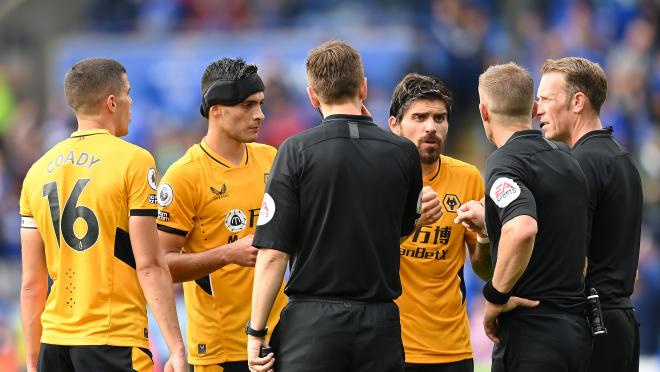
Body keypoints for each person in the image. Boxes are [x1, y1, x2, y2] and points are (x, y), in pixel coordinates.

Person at [245, 40, 442, 372]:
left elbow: (273, 253)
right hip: (380, 325)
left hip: (313, 325)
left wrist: (256, 331)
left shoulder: (295, 151)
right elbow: (401, 231)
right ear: (363, 88)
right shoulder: (402, 152)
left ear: (312, 95)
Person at [19, 58, 186, 372]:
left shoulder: (36, 172)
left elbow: (31, 283)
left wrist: (31, 361)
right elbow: (149, 264)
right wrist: (176, 348)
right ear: (112, 102)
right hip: (113, 338)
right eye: (128, 92)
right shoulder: (134, 161)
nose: (131, 101)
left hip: (54, 344)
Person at [456, 62, 592, 372]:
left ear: (484, 112)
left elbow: (523, 228)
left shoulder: (504, 163)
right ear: (532, 109)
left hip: (532, 335)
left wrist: (494, 297)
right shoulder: (568, 162)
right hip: (576, 334)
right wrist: (490, 225)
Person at [156, 58, 287, 372]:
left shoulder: (272, 159)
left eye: (260, 104)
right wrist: (228, 253)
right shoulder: (184, 176)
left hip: (281, 336)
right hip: (222, 350)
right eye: (247, 105)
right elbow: (160, 266)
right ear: (217, 110)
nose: (260, 115)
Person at [537, 57, 642, 372]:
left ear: (578, 101)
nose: (537, 109)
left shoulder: (578, 165)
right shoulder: (622, 160)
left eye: (545, 99)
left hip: (592, 327)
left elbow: (572, 261)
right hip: (621, 321)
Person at [388, 73, 492, 372]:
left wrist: (484, 235)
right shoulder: (377, 179)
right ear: (395, 125)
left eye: (439, 118)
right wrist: (413, 224)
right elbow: (360, 260)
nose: (431, 127)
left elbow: (484, 270)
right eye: (419, 117)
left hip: (452, 350)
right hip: (393, 348)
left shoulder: (468, 177)